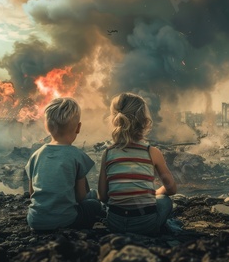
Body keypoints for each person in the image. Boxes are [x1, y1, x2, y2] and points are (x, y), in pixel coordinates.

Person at [98, 92, 177, 235]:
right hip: (145, 225)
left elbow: (102, 196)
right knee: (164, 202)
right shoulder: (152, 152)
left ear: (114, 120)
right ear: (145, 122)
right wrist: (155, 193)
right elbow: (171, 189)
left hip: (115, 224)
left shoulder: (108, 153)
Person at [25, 97, 103, 230]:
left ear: (47, 127)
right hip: (67, 220)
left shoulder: (35, 155)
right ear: (78, 127)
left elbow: (32, 193)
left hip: (35, 220)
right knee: (94, 205)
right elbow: (80, 197)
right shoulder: (77, 155)